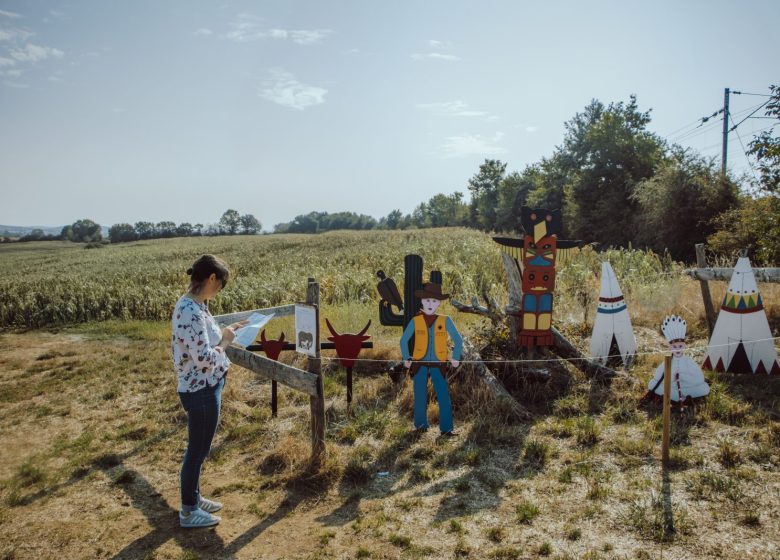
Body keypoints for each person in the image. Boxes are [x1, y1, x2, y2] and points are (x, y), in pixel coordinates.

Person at [171, 254, 247, 528]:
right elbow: (203, 357)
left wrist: (227, 331)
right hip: (200, 389)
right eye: (221, 284)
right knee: (197, 450)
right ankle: (189, 511)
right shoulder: (190, 311)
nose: (220, 290)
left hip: (205, 386)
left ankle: (194, 496)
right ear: (211, 278)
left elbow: (206, 338)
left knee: (200, 448)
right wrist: (225, 342)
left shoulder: (197, 306)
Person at [400, 282, 463, 436]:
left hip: (439, 364)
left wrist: (455, 357)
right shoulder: (416, 320)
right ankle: (421, 425)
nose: (430, 304)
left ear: (439, 303)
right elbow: (403, 340)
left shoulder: (445, 320)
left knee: (443, 395)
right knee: (420, 395)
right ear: (422, 301)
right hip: (419, 364)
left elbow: (458, 339)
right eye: (427, 300)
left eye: (434, 301)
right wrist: (406, 357)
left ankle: (446, 429)